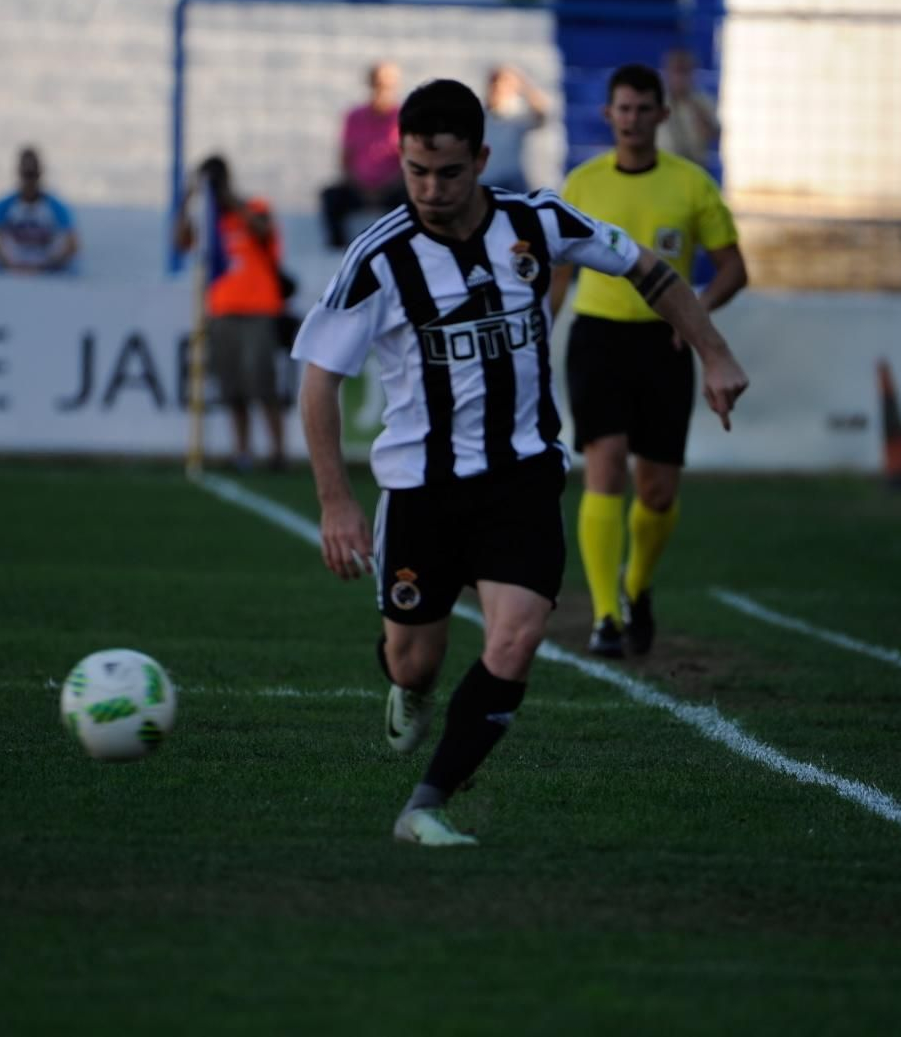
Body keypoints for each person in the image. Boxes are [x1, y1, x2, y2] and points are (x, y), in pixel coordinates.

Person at [291, 78, 748, 846]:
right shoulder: (379, 258)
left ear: (482, 158)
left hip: (522, 477)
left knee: (517, 635)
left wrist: (716, 352)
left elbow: (648, 268)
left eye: (448, 172)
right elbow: (318, 380)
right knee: (414, 659)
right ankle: (409, 686)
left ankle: (425, 805)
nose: (431, 190)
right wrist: (336, 501)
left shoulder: (535, 219)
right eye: (415, 171)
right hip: (422, 489)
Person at [548, 63, 748, 659]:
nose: (631, 120)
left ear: (663, 115)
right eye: (622, 109)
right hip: (598, 340)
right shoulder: (581, 185)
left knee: (656, 490)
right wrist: (538, 334)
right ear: (607, 115)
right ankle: (606, 615)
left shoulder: (691, 184)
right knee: (604, 466)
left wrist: (695, 314)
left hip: (665, 347)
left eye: (643, 109)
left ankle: (637, 587)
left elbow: (734, 268)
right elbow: (559, 275)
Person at [176, 155, 292, 472]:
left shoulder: (254, 207)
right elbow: (181, 242)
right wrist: (188, 199)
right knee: (233, 388)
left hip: (259, 310)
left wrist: (230, 201)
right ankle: (242, 452)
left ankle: (278, 453)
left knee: (263, 384)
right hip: (222, 310)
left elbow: (264, 232)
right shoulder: (210, 220)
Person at [320, 62, 406, 249]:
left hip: (393, 189)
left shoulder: (404, 117)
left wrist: (386, 188)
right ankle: (339, 250)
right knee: (330, 197)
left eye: (386, 85)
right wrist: (360, 187)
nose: (381, 90)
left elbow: (408, 162)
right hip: (358, 189)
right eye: (377, 84)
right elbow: (345, 158)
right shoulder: (354, 116)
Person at [0, 147, 78, 274]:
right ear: (18, 173)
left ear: (40, 173)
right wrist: (9, 265)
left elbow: (72, 244)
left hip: (48, 271)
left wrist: (49, 266)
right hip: (12, 272)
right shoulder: (3, 206)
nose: (29, 180)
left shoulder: (57, 207)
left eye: (32, 174)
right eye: (26, 174)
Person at [482, 64, 548, 192]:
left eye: (505, 86)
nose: (499, 89)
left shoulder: (517, 116)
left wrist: (526, 88)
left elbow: (541, 117)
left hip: (512, 182)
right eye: (495, 84)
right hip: (487, 181)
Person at [656, 49, 720, 169]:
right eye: (676, 71)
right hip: (663, 166)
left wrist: (698, 114)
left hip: (694, 165)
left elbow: (715, 133)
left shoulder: (703, 102)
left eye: (684, 72)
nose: (679, 78)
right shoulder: (655, 101)